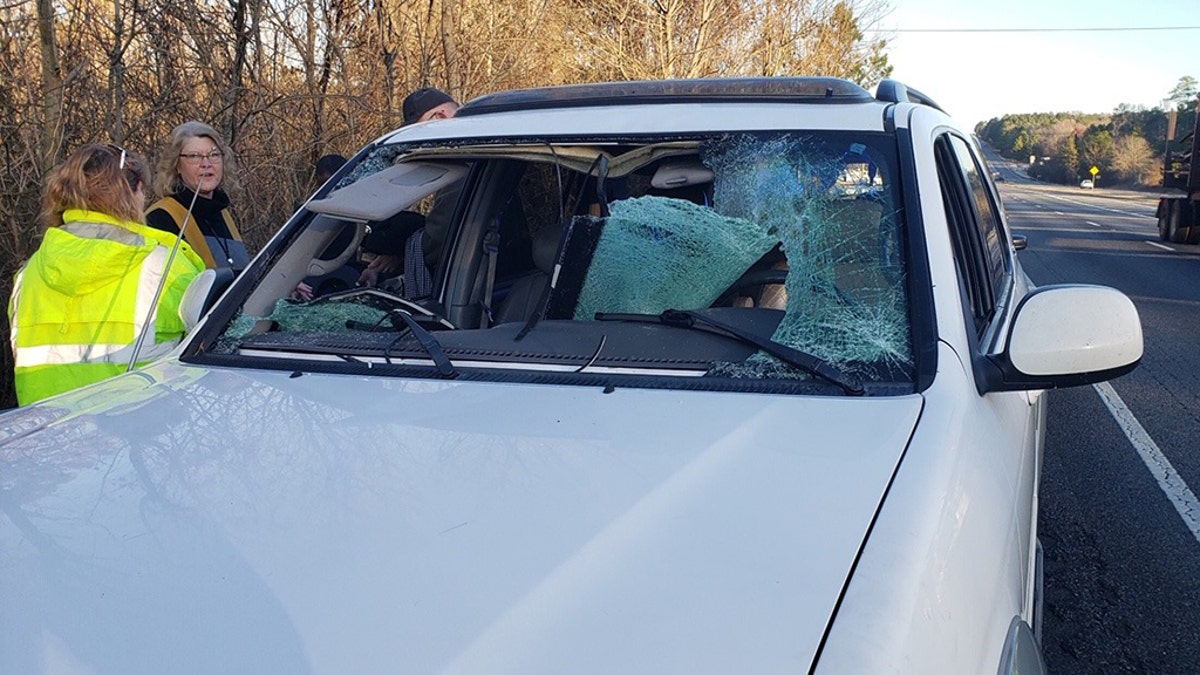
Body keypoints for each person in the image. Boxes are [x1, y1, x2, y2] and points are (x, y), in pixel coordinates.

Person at [8, 143, 206, 405]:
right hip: (139, 434)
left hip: (46, 437)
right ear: (134, 191)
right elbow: (213, 355)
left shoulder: (28, 274)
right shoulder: (165, 264)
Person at [357, 88, 462, 292]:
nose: (421, 144)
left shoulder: (466, 164)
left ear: (440, 117)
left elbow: (440, 238)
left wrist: (406, 251)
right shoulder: (488, 146)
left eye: (420, 132)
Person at [146, 121, 250, 273]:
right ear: (177, 166)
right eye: (194, 156)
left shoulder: (224, 215)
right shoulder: (159, 218)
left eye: (214, 155)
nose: (206, 163)